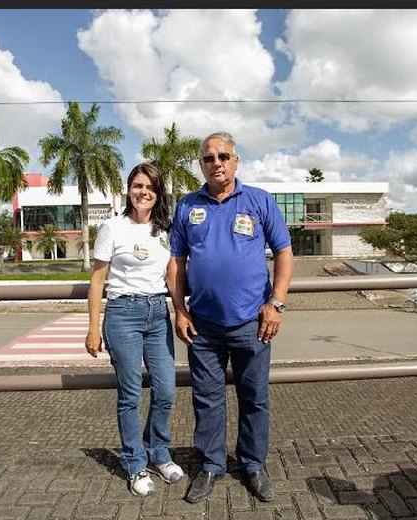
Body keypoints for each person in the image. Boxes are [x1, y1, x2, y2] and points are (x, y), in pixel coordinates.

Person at [168, 131, 294, 503]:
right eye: (209, 158)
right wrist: (179, 309)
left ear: (236, 161)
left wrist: (277, 303)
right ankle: (210, 466)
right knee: (207, 400)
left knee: (254, 397)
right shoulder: (187, 206)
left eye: (224, 156)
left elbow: (284, 252)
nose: (217, 163)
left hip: (252, 323)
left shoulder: (259, 200)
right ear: (202, 164)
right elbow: (176, 262)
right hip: (202, 325)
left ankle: (253, 465)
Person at [84, 163, 184, 497]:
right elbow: (97, 280)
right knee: (130, 395)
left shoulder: (164, 229)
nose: (144, 192)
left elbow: (171, 276)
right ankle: (134, 463)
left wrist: (181, 310)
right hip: (123, 314)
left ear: (158, 194)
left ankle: (158, 452)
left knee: (166, 390)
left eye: (150, 187)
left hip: (158, 313)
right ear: (129, 188)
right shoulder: (113, 228)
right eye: (138, 186)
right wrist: (93, 327)